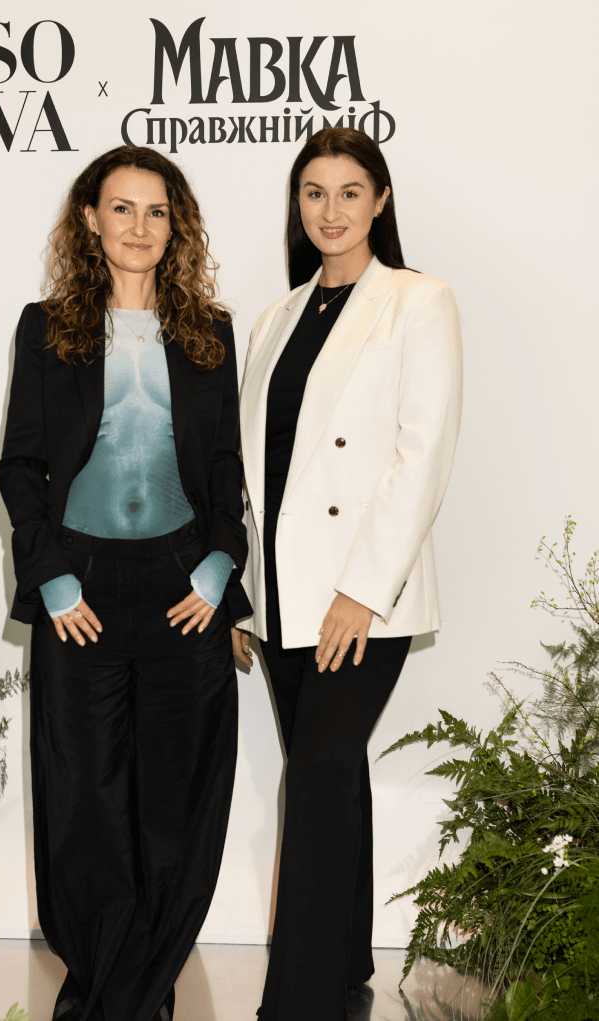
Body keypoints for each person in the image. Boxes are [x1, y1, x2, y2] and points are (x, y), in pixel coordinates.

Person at [0, 145, 251, 1021]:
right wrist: (51, 575)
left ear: (175, 226)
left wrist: (221, 563)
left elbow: (226, 465)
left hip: (185, 584)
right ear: (90, 220)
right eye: (121, 207)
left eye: (156, 210)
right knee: (85, 797)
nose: (139, 226)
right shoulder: (46, 327)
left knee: (177, 795)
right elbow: (20, 464)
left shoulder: (209, 330)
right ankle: (103, 979)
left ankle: (141, 984)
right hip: (83, 586)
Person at [233, 127, 463, 1020]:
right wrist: (242, 597)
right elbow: (254, 474)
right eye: (313, 192)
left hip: (362, 592)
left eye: (349, 191)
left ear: (380, 201)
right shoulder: (274, 318)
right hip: (281, 594)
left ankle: (297, 1000)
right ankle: (345, 962)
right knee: (326, 770)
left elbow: (421, 456)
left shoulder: (417, 300)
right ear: (297, 204)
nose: (330, 210)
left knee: (319, 769)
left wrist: (361, 590)